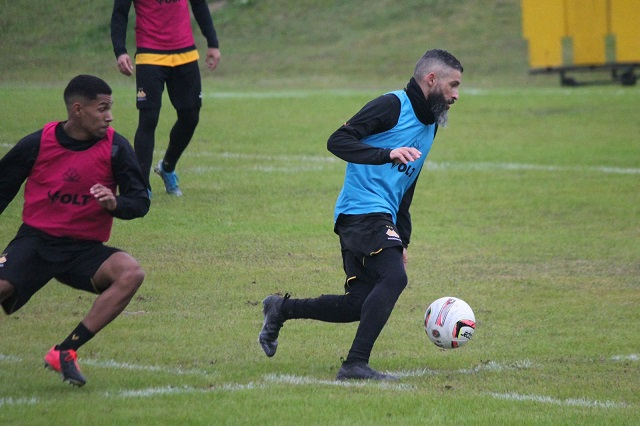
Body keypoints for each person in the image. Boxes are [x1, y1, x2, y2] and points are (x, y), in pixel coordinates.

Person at [258, 49, 463, 381]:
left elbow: (406, 188)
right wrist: (386, 153)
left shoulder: (430, 127)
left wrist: (403, 239)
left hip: (379, 216)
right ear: (431, 80)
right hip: (360, 211)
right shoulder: (392, 105)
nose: (455, 95)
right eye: (453, 85)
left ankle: (280, 309)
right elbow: (337, 141)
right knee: (394, 278)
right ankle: (354, 364)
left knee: (359, 304)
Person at [0, 74, 150, 387]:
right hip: (36, 243)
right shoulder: (38, 143)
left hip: (84, 251)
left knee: (131, 273)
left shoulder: (116, 147)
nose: (109, 116)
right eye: (102, 108)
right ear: (78, 109)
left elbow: (140, 201)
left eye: (110, 108)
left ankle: (65, 351)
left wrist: (115, 204)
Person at [110, 0, 221, 196]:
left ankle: (167, 167)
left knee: (190, 117)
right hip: (150, 55)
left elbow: (199, 5)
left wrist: (212, 42)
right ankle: (142, 186)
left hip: (185, 53)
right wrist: (120, 51)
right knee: (149, 119)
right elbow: (120, 13)